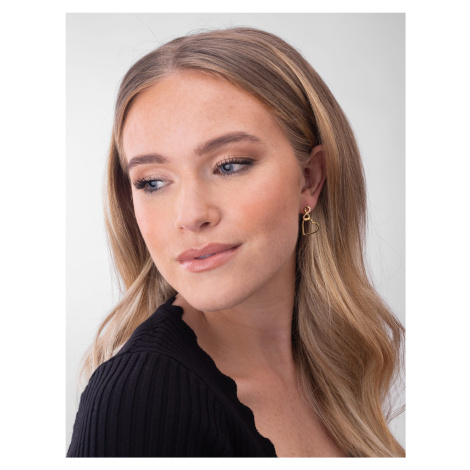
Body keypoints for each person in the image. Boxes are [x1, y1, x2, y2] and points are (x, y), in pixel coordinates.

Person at [67, 26, 405, 457]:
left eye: (229, 165)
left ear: (310, 178)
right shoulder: (140, 398)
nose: (190, 215)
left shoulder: (333, 372)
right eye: (152, 182)